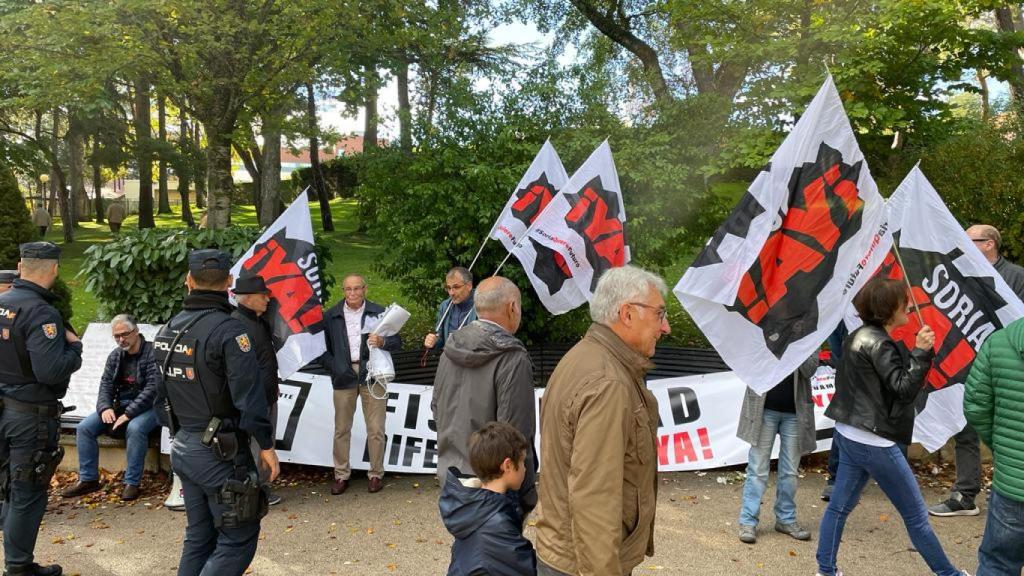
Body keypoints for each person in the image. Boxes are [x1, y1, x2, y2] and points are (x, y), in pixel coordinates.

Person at [815, 277, 970, 576]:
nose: (910, 306)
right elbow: (904, 389)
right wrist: (921, 352)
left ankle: (826, 570)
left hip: (849, 433)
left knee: (838, 507)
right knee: (916, 516)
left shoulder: (857, 335)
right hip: (874, 441)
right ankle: (949, 574)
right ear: (889, 309)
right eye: (904, 302)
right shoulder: (879, 343)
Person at [535, 265, 670, 576]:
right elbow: (594, 497)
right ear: (627, 314)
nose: (666, 328)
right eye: (659, 314)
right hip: (583, 563)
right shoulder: (609, 382)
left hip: (567, 554)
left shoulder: (586, 357)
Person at [153, 248, 279, 576]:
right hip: (220, 453)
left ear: (188, 281)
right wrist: (266, 446)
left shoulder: (166, 330)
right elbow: (249, 400)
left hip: (184, 446)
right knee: (239, 537)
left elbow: (159, 398)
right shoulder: (229, 332)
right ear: (229, 282)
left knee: (200, 535)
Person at [930, 224, 1024, 518]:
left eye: (972, 240)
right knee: (966, 426)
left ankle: (1008, 491)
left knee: (1010, 432)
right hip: (969, 364)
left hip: (1008, 368)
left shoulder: (1017, 276)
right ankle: (964, 494)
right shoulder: (960, 274)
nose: (965, 245)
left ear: (989, 244)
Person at [0, 242, 83, 576]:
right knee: (26, 491)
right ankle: (19, 567)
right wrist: (75, 349)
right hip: (28, 415)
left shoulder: (2, 303)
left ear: (21, 265)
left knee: (9, 486)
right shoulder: (41, 312)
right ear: (54, 269)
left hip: (3, 409)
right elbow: (50, 370)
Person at [432, 276, 537, 516]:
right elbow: (515, 433)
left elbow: (437, 409)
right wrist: (526, 493)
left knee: (468, 550)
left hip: (453, 476)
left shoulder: (450, 349)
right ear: (512, 307)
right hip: (495, 487)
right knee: (496, 551)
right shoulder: (511, 357)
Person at [62, 314, 160, 501]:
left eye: (125, 334)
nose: (121, 339)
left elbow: (153, 389)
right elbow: (105, 384)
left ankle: (132, 482)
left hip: (151, 407)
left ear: (136, 331)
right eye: (117, 336)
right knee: (85, 428)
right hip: (120, 404)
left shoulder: (153, 353)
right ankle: (88, 479)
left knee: (136, 428)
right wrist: (105, 407)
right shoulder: (115, 355)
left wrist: (129, 414)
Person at [320, 274, 402, 495]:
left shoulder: (379, 311)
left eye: (357, 288)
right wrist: (335, 365)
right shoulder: (331, 316)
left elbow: (397, 342)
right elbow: (321, 348)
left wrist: (383, 341)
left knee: (376, 429)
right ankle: (341, 474)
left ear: (365, 289)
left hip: (372, 374)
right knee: (341, 428)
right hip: (344, 375)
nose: (353, 293)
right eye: (348, 289)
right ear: (343, 290)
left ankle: (375, 474)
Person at [736, 353, 820, 544]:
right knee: (757, 470)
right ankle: (748, 522)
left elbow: (810, 369)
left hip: (795, 412)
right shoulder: (764, 326)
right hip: (763, 409)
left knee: (790, 472)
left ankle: (786, 519)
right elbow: (751, 361)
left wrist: (795, 345)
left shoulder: (809, 330)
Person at [963, 316, 1024, 574]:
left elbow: (976, 407)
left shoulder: (998, 343)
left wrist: (1003, 448)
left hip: (1011, 486)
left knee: (998, 564)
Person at [439, 421, 537, 576]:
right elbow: (528, 569)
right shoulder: (497, 526)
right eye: (522, 462)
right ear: (508, 466)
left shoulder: (473, 507)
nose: (525, 468)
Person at [231, 275, 283, 506]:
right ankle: (253, 490)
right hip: (254, 399)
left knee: (264, 442)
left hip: (267, 394)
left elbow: (265, 360)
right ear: (249, 298)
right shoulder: (238, 325)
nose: (267, 299)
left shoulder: (258, 321)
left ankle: (261, 486)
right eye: (263, 296)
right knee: (256, 445)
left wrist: (274, 385)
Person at [423, 267, 477, 351]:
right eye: (448, 288)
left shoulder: (483, 305)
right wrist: (434, 341)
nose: (451, 293)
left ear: (469, 286)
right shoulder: (445, 306)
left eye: (456, 287)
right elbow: (440, 339)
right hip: (450, 358)